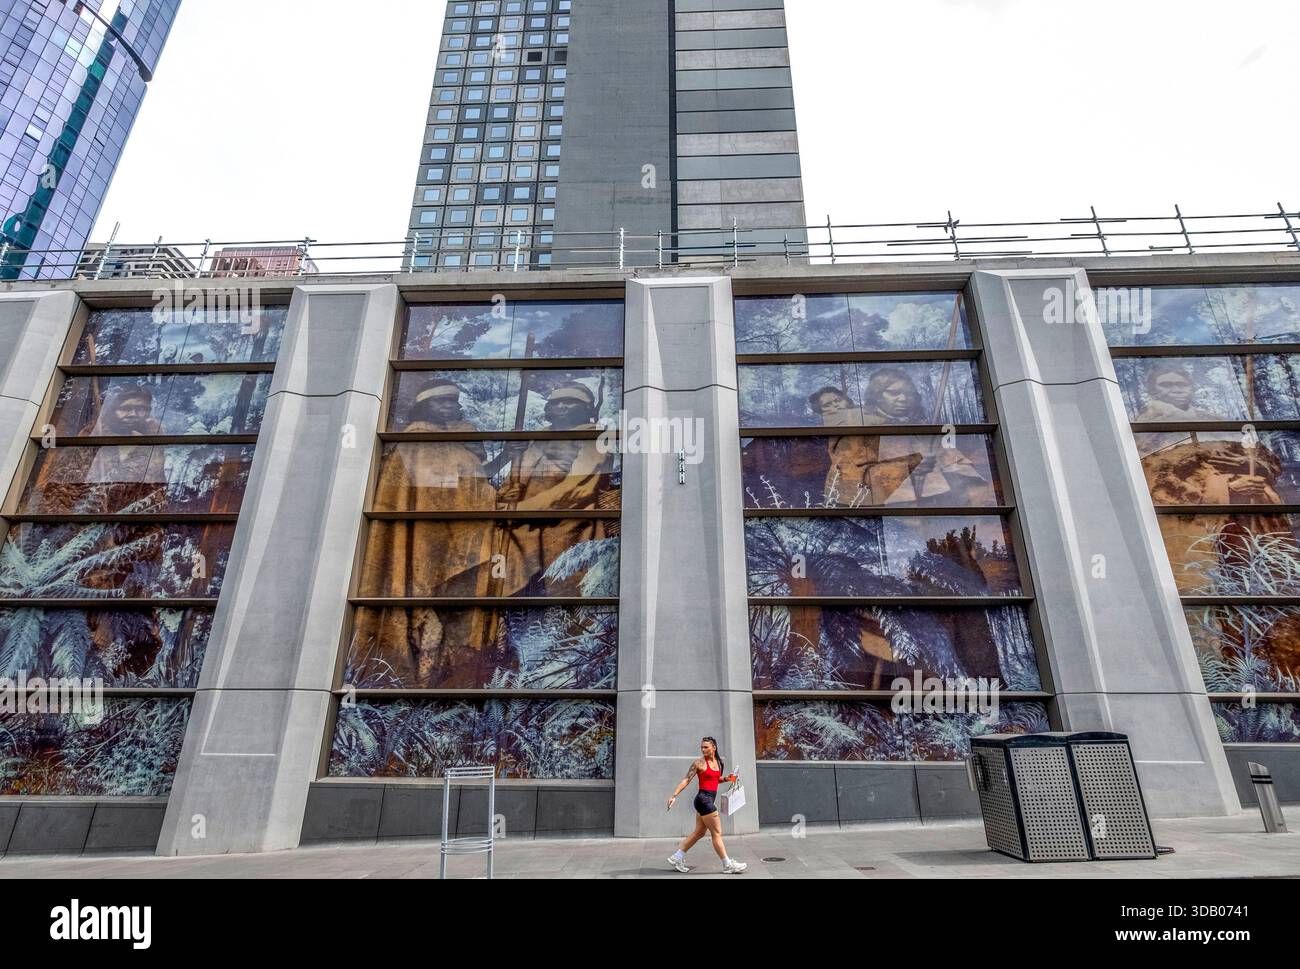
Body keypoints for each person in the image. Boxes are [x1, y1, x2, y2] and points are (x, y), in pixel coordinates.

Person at [352, 378, 498, 686]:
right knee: (425, 616)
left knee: (449, 618)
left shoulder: (461, 444)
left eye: (453, 401)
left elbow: (476, 488)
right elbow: (436, 488)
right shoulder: (415, 442)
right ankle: (418, 676)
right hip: (425, 539)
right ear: (423, 405)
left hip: (458, 540)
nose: (451, 406)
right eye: (442, 400)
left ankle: (445, 675)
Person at [496, 381, 616, 597]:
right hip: (526, 530)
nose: (560, 407)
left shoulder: (595, 438)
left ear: (587, 409)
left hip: (570, 526)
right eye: (556, 402)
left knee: (564, 593)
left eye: (570, 402)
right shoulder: (538, 440)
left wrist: (520, 508)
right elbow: (516, 482)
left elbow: (577, 489)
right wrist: (508, 493)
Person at [666, 737, 747, 874]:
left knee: (699, 832)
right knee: (716, 833)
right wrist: (674, 795)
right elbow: (686, 779)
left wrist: (728, 779)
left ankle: (677, 857)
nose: (703, 749)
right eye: (702, 747)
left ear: (714, 747)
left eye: (706, 747)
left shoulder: (718, 762)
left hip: (706, 800)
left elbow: (715, 779)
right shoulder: (699, 763)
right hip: (704, 800)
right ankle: (727, 864)